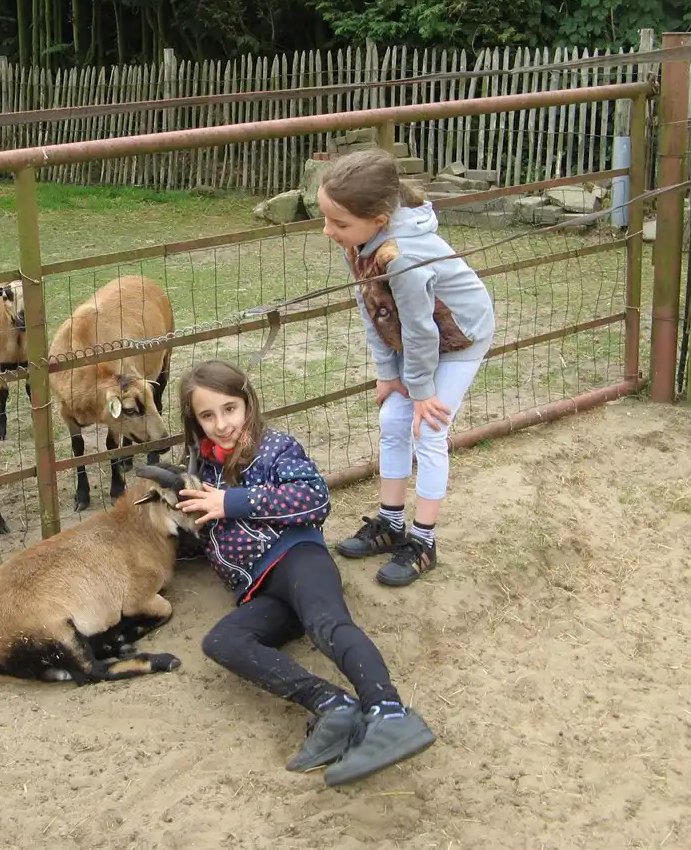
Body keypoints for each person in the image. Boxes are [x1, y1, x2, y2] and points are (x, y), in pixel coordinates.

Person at [175, 358, 434, 787]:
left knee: (328, 625)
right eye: (207, 415)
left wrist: (231, 502)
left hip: (297, 559)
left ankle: (388, 712)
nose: (221, 424)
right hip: (260, 592)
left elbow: (314, 499)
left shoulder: (273, 447)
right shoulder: (200, 472)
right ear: (195, 422)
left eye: (229, 409)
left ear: (248, 405)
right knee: (222, 641)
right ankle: (333, 706)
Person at [317, 149, 496, 587]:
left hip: (460, 335)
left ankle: (423, 541)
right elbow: (369, 306)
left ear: (379, 218)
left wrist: (419, 391)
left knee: (428, 427)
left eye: (338, 223)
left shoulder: (403, 256)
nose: (328, 232)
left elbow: (421, 329)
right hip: (416, 333)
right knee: (392, 418)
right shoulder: (359, 243)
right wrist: (387, 371)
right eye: (326, 219)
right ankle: (391, 522)